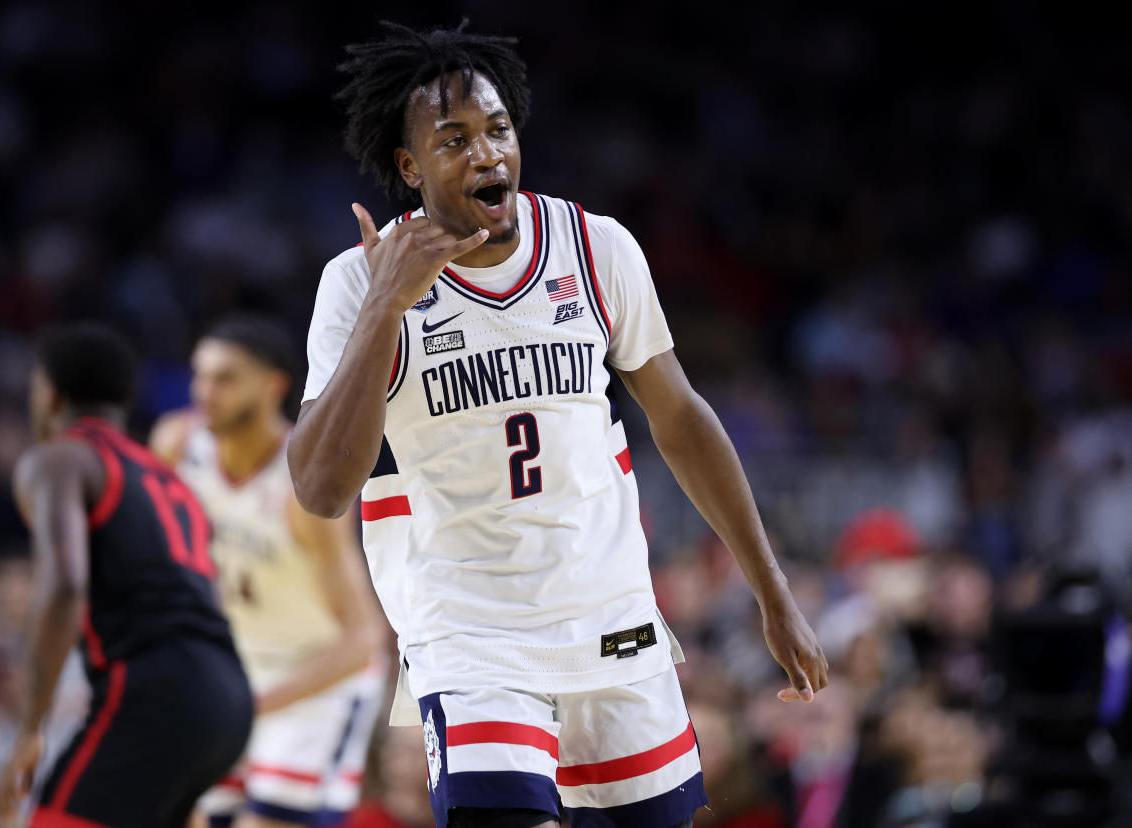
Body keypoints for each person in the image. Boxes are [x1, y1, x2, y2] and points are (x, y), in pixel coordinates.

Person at [288, 21, 829, 828]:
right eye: (454, 139)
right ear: (410, 167)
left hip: (610, 619)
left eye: (498, 129)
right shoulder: (356, 284)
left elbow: (680, 420)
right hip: (468, 637)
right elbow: (322, 488)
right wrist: (384, 310)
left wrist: (770, 585)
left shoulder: (594, 245)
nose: (487, 154)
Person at [0, 323, 253, 827]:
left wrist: (30, 726)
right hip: (229, 696)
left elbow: (65, 583)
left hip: (154, 686)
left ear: (49, 395)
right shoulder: (169, 480)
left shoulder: (61, 458)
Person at [151, 315, 387, 828]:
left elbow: (363, 637)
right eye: (201, 376)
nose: (204, 392)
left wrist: (253, 704)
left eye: (225, 379)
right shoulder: (175, 445)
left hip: (316, 677)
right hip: (230, 669)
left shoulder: (302, 487)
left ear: (274, 385)